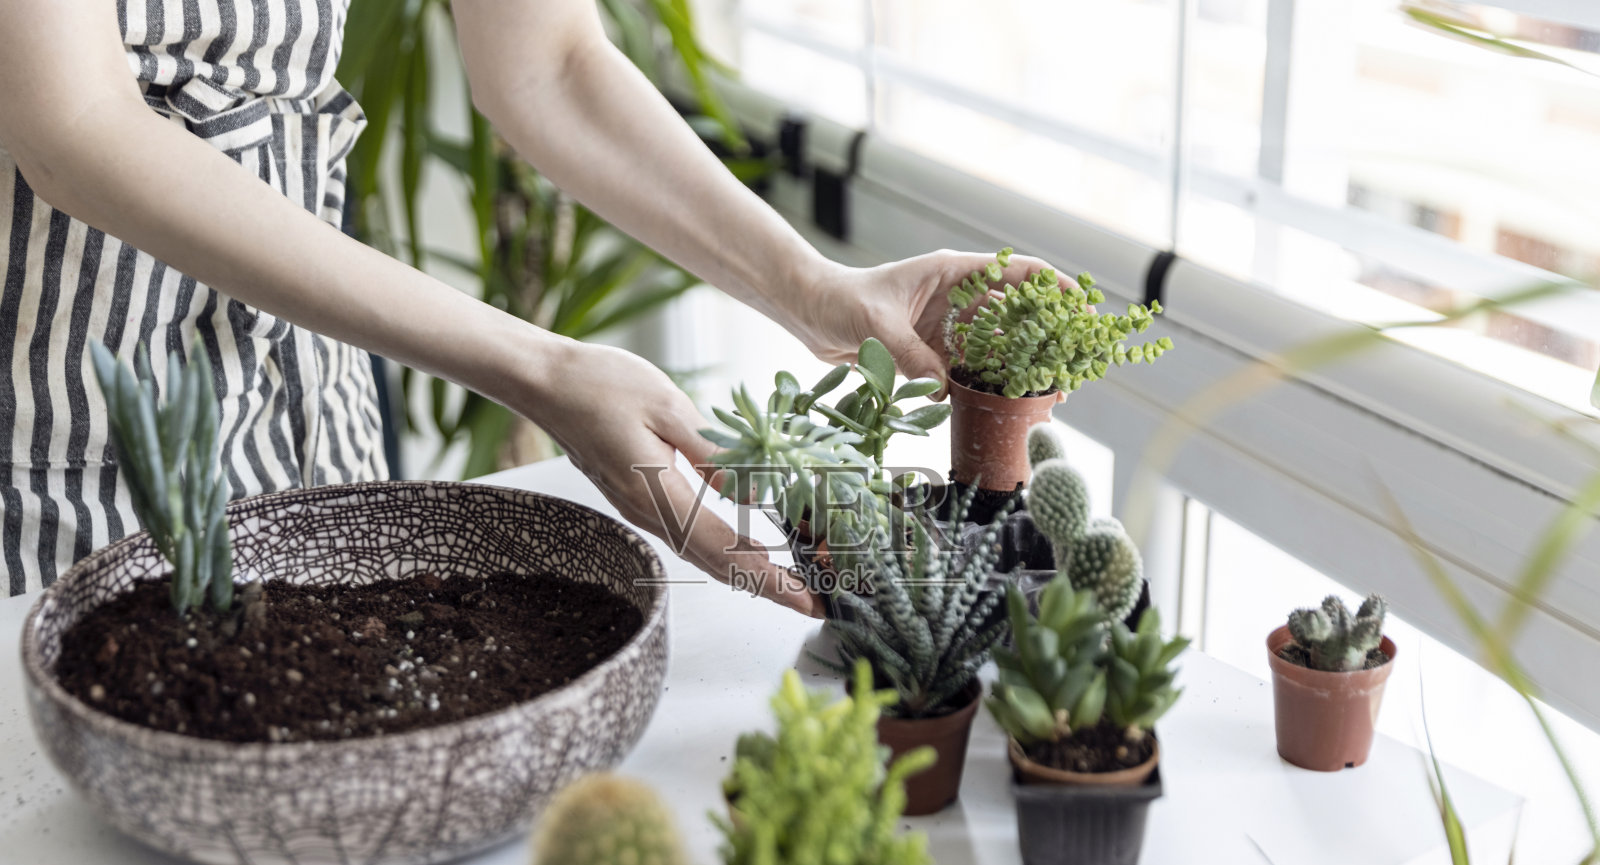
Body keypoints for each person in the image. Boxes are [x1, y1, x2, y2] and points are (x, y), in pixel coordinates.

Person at [0, 0, 1056, 614]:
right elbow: (75, 122)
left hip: (302, 405)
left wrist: (818, 291)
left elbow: (546, 57)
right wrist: (543, 369)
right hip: (52, 434)